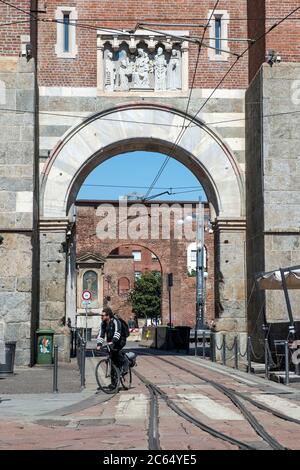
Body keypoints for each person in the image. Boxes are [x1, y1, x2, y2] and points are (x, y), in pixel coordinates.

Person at [96, 307, 127, 371]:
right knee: (111, 357)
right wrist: (99, 344)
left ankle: (124, 362)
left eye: (102, 315)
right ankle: (115, 376)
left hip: (120, 340)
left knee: (115, 351)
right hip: (110, 341)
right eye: (101, 315)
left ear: (108, 315)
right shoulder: (103, 324)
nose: (101, 317)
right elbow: (101, 335)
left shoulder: (116, 321)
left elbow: (117, 332)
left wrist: (113, 341)